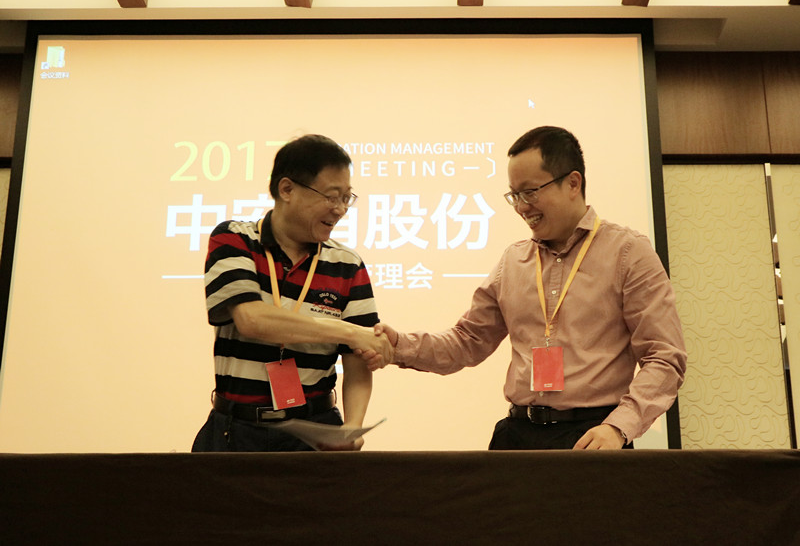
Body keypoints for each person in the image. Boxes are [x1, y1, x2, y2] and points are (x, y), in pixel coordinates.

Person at [359, 126, 687, 450]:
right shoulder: (513, 261)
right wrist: (398, 345)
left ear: (573, 183)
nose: (521, 206)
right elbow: (467, 342)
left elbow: (664, 358)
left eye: (530, 192)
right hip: (517, 437)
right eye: (514, 195)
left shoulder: (628, 253)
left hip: (593, 437)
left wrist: (618, 427)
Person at [192, 134, 391, 452]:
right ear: (286, 189)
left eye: (347, 198)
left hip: (316, 431)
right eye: (331, 197)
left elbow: (357, 360)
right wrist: (351, 332)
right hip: (235, 432)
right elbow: (252, 320)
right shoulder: (234, 239)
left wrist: (352, 427)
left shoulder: (347, 264)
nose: (340, 209)